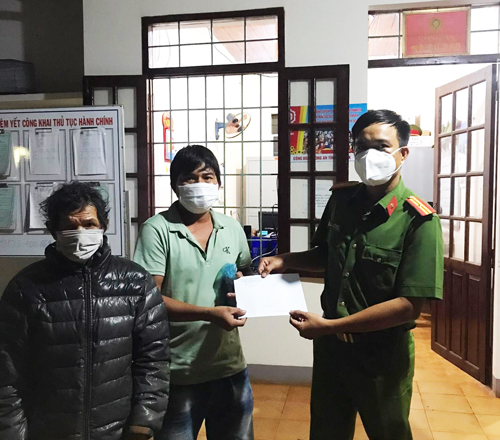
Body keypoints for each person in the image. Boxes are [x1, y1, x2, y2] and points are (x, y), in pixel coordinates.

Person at [259, 110, 443, 440]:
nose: (369, 155)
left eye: (381, 146)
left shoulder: (418, 220)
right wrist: (284, 260)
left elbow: (408, 306)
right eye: (361, 146)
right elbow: (326, 255)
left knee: (388, 433)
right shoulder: (342, 200)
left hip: (382, 357)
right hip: (332, 352)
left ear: (403, 153)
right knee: (326, 432)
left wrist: (331, 326)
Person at [0, 182, 170, 440]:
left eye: (89, 224)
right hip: (48, 431)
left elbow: (153, 359)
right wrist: (13, 432)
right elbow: (7, 372)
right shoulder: (26, 288)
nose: (80, 233)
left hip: (117, 431)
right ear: (54, 231)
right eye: (70, 226)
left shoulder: (136, 282)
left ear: (104, 225)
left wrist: (143, 423)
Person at [133, 145, 254, 440]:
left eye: (207, 176)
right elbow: (149, 299)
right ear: (175, 185)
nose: (199, 184)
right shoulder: (157, 229)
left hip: (229, 366)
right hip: (177, 370)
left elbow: (244, 275)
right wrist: (209, 314)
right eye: (189, 178)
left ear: (218, 183)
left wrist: (244, 287)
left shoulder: (232, 228)